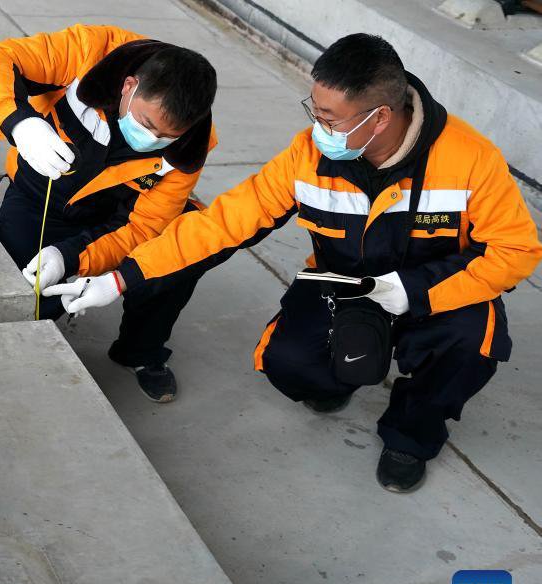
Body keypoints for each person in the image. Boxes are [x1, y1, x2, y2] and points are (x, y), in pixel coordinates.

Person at [45, 34, 542, 492]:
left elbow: (516, 251)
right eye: (313, 108)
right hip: (344, 284)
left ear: (381, 118)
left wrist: (416, 291)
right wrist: (120, 278)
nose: (315, 126)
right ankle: (335, 378)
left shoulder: (471, 159)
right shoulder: (308, 157)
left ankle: (410, 437)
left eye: (329, 117)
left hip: (441, 289)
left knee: (469, 345)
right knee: (289, 363)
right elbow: (220, 224)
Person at [0, 24, 217, 402]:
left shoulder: (190, 148)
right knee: (24, 292)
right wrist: (19, 123)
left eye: (167, 135)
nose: (153, 139)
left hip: (112, 216)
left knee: (180, 251)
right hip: (41, 192)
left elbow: (144, 226)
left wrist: (71, 256)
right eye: (147, 124)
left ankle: (141, 351)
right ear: (129, 86)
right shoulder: (90, 51)